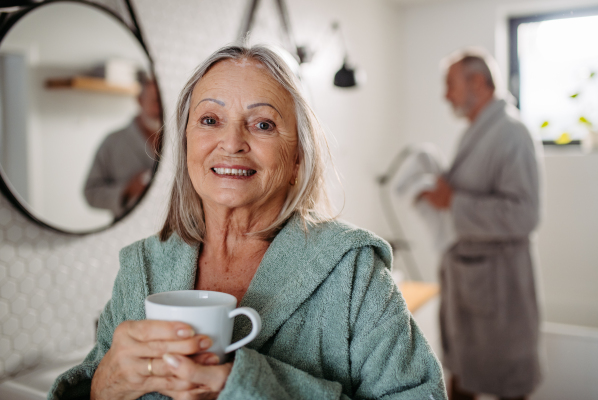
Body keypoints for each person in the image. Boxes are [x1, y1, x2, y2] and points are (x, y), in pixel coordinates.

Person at [49, 45, 447, 400]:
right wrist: (103, 389)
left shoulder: (353, 272)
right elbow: (94, 381)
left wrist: (244, 386)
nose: (232, 142)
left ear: (297, 161)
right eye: (209, 120)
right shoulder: (142, 269)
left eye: (263, 124)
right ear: (186, 145)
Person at [420, 49, 542, 400]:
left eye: (450, 85)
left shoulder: (513, 134)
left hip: (499, 290)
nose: (445, 95)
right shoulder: (480, 131)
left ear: (477, 81)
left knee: (507, 385)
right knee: (462, 378)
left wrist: (453, 201)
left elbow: (525, 215)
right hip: (471, 283)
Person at [84, 77, 162, 219]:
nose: (160, 109)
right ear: (139, 100)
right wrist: (127, 190)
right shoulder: (112, 142)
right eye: (155, 101)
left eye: (164, 103)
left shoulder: (182, 139)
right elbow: (91, 193)